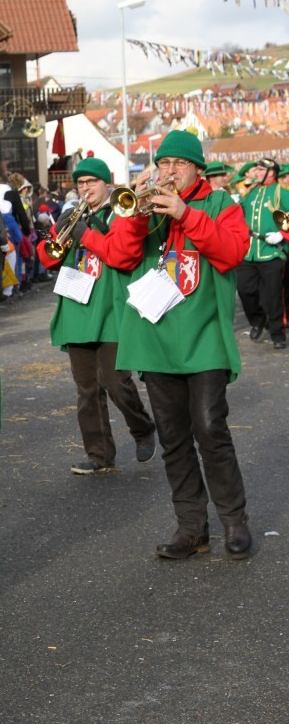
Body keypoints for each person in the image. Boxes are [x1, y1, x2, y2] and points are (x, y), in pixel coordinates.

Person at [113, 131, 252, 560]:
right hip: (156, 337)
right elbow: (119, 257)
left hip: (204, 335)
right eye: (163, 163)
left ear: (196, 167)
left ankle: (234, 520)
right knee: (173, 437)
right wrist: (135, 217)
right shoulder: (147, 208)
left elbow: (232, 252)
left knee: (210, 428)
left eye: (178, 163)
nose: (168, 171)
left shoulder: (221, 204)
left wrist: (186, 214)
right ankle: (192, 528)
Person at [37, 157, 156, 475]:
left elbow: (121, 254)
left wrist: (86, 233)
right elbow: (45, 259)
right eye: (81, 183)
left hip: (109, 307)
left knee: (117, 382)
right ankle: (99, 454)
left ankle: (143, 428)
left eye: (92, 182)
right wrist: (58, 234)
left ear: (106, 184)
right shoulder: (75, 214)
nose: (86, 188)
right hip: (77, 307)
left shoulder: (120, 211)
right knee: (87, 389)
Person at [236, 157, 289, 349]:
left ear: (271, 172)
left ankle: (277, 333)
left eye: (259, 170)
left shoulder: (281, 192)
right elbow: (239, 213)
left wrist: (282, 234)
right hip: (250, 251)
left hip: (272, 251)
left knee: (274, 296)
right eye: (256, 169)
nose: (255, 173)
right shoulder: (251, 193)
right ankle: (258, 320)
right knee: (244, 290)